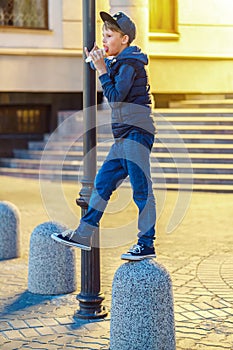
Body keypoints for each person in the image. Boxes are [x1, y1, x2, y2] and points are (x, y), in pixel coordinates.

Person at [52, 11, 156, 261]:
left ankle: (146, 243)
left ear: (125, 39)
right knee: (102, 184)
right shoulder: (120, 62)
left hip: (136, 134)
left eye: (109, 35)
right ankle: (83, 234)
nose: (104, 40)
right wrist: (99, 62)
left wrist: (100, 69)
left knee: (141, 190)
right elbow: (109, 73)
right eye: (103, 35)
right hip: (123, 137)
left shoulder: (131, 64)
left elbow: (117, 100)